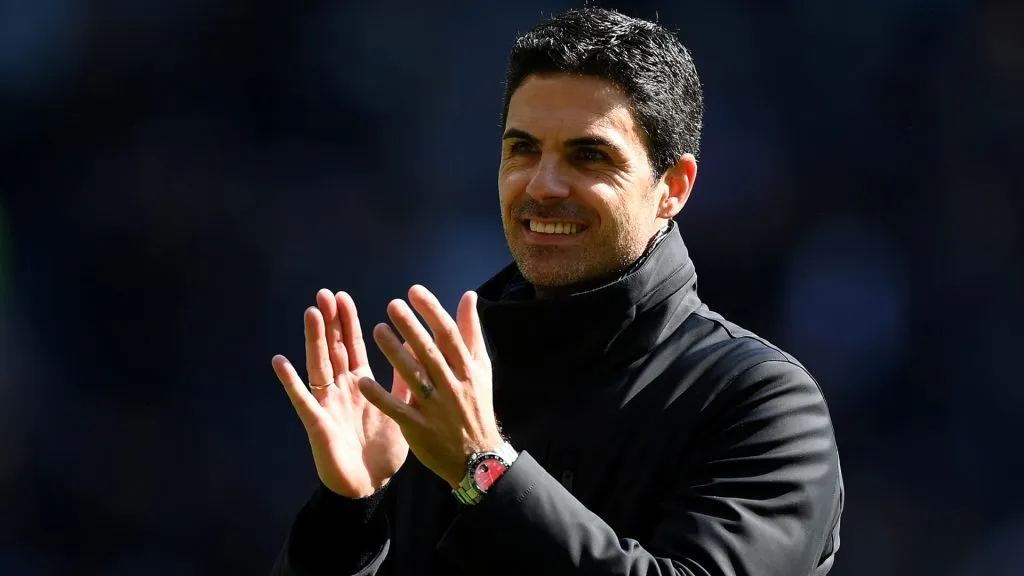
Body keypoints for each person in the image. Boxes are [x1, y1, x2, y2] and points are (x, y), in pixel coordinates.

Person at [269, 7, 843, 576]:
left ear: (673, 188)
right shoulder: (441, 393)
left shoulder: (762, 404)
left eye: (588, 155)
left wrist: (483, 470)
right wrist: (349, 513)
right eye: (522, 149)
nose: (542, 184)